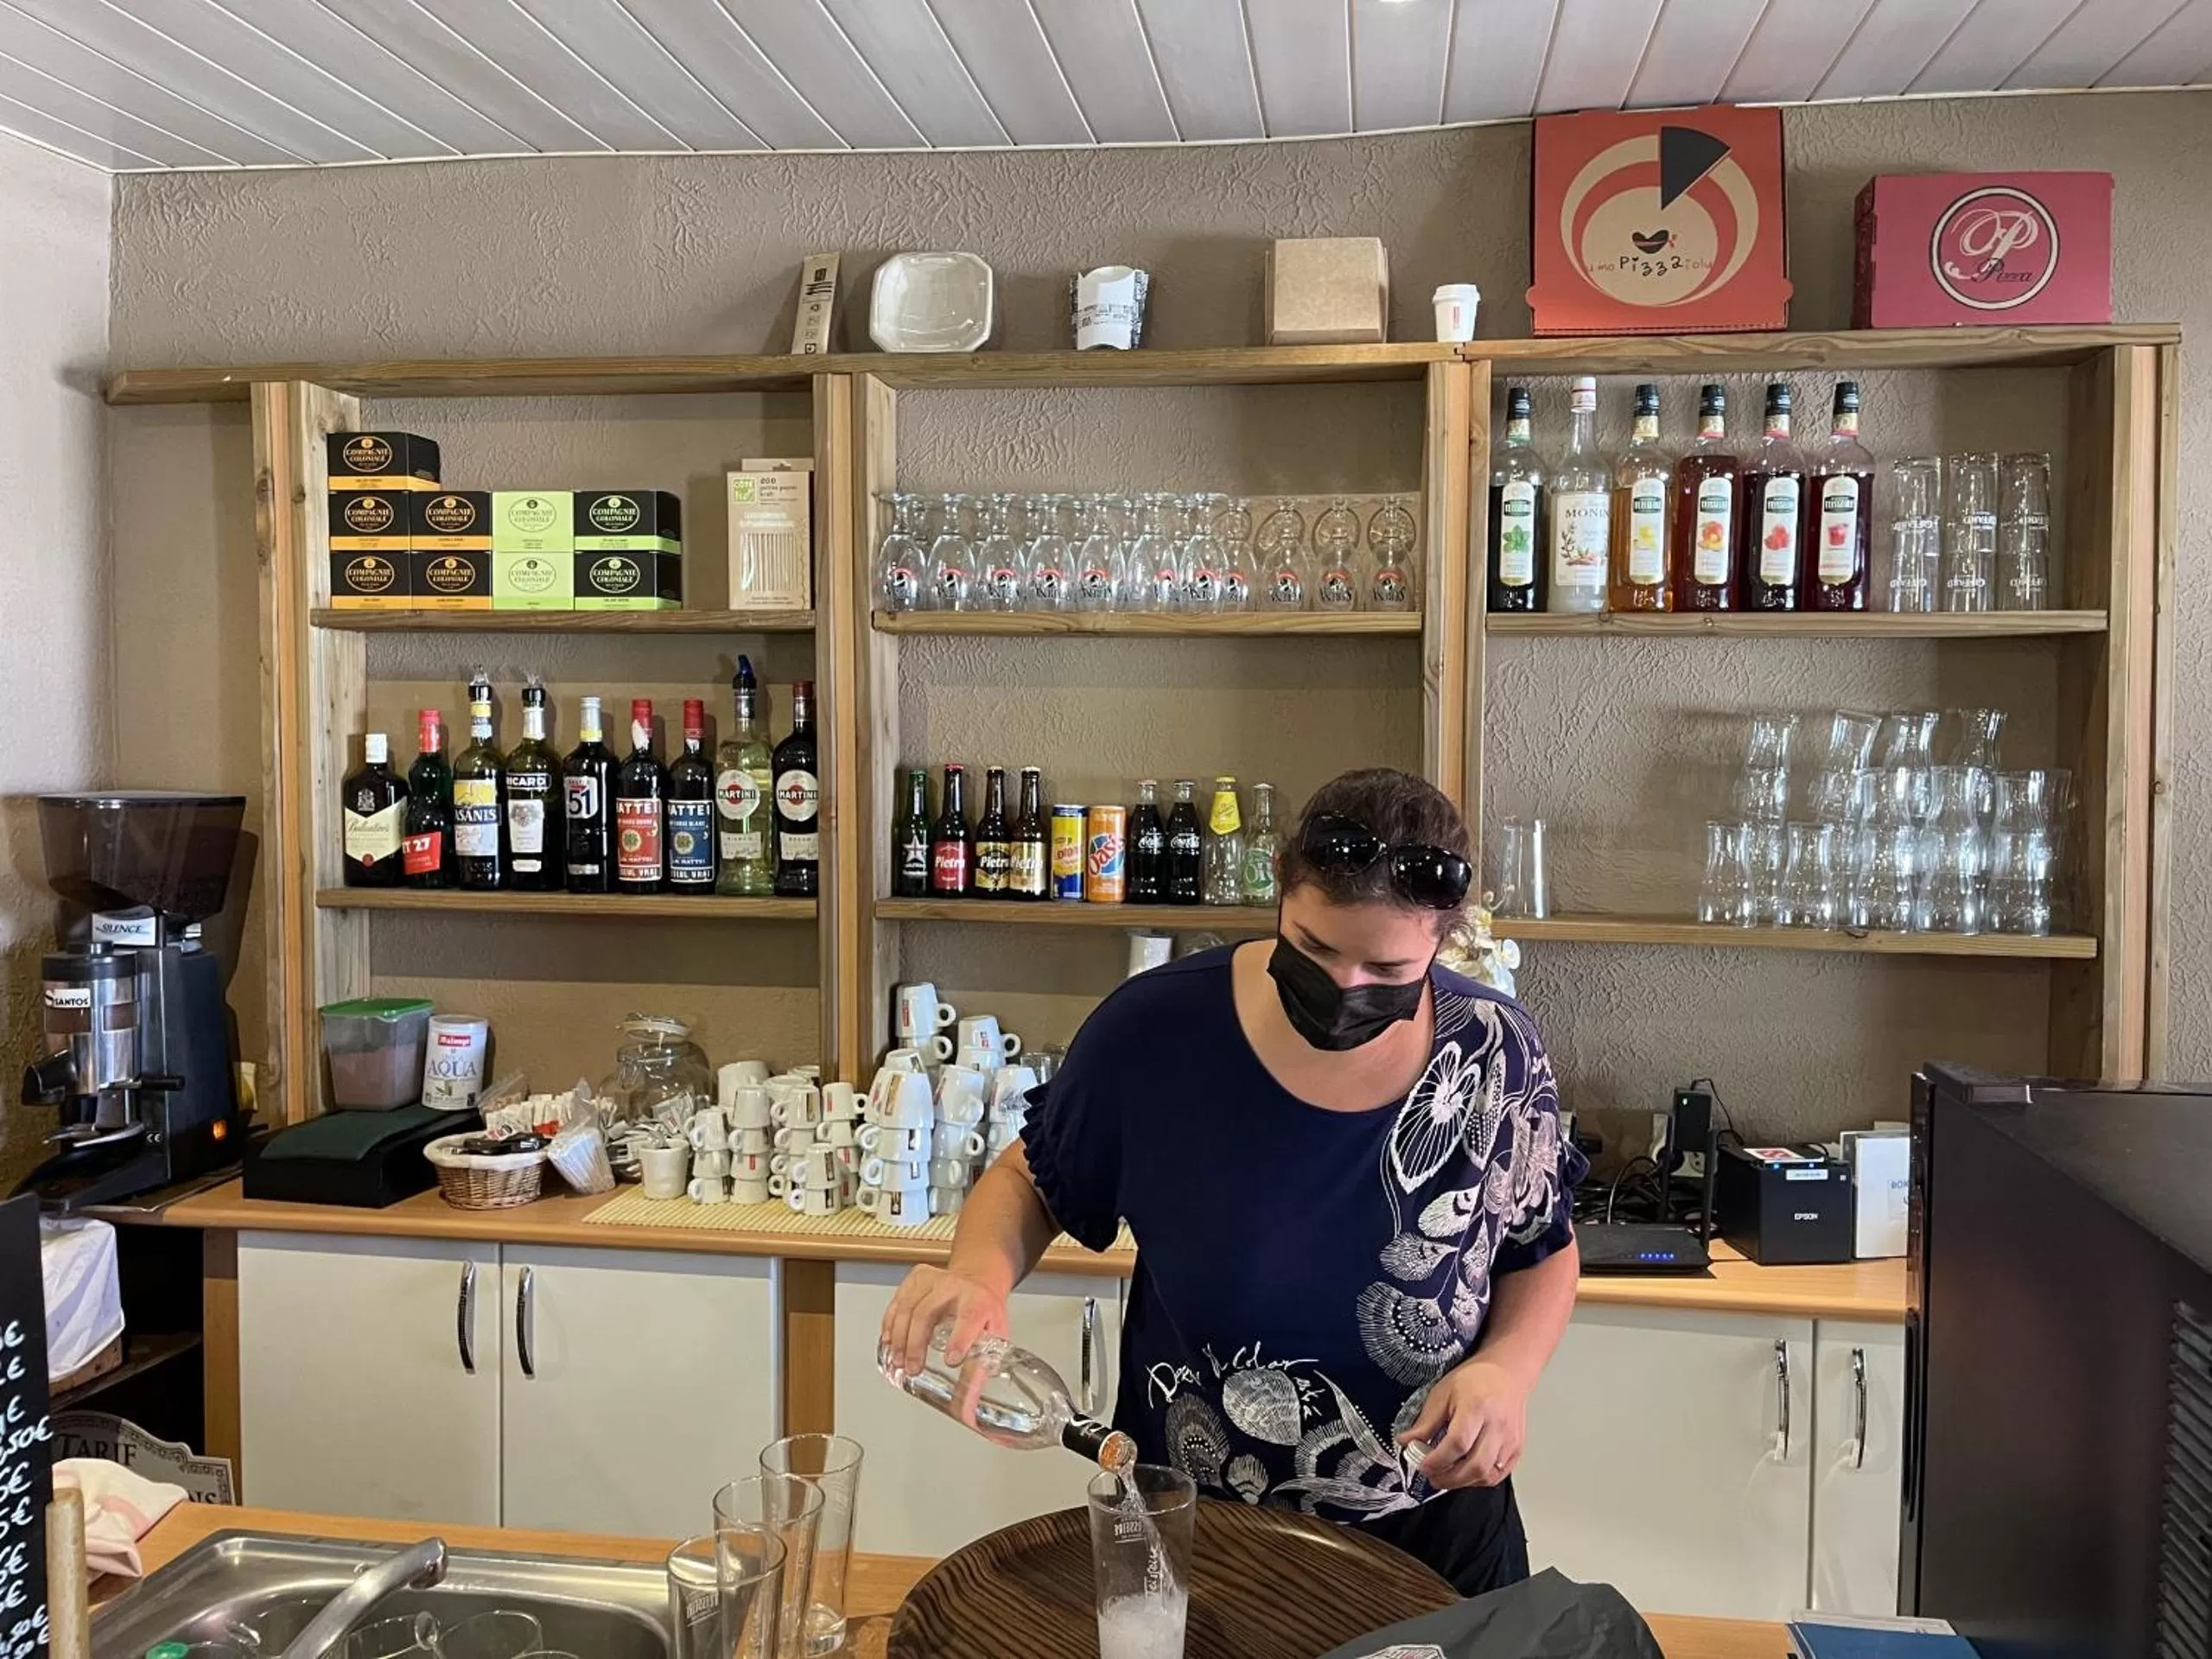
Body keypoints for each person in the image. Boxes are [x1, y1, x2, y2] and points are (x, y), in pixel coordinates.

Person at [882, 767, 1584, 1593]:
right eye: (1317, 949)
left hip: (1436, 1531)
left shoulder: (1495, 1051)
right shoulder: (1157, 1031)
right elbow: (1034, 1177)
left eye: (1387, 968)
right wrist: (978, 1276)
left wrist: (1508, 1369)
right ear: (1281, 891)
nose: (1346, 988)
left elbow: (1540, 1249)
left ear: (1443, 940)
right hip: (1198, 1529)